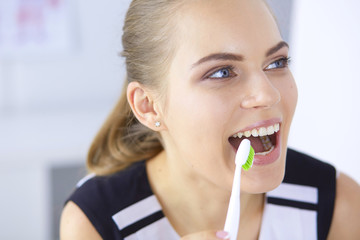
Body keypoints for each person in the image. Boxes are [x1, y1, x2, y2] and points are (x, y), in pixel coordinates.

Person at [60, 0, 360, 239]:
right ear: (149, 106)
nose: (268, 95)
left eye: (276, 62)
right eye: (222, 72)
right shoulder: (95, 221)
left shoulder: (340, 206)